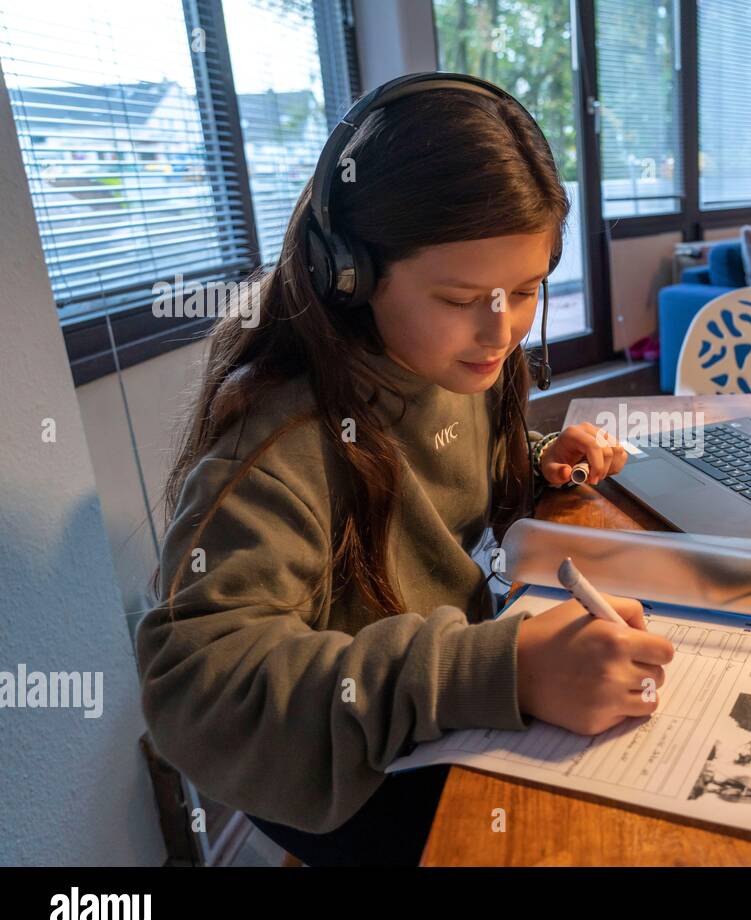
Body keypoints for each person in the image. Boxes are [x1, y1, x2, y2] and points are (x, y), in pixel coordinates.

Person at [134, 75, 674, 865]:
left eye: (525, 291)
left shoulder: (451, 367)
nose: (500, 330)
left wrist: (530, 464)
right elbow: (193, 690)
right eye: (461, 298)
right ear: (347, 273)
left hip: (445, 697)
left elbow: (442, 484)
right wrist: (501, 667)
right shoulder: (278, 445)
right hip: (346, 762)